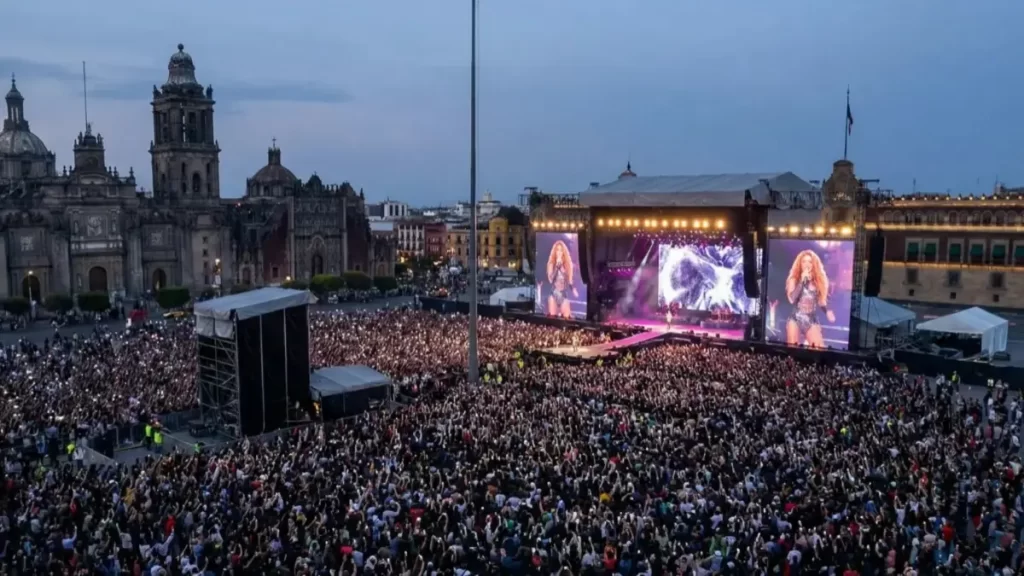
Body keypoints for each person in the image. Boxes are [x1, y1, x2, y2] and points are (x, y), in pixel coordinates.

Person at [784, 249, 836, 348]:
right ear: (800, 264)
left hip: (811, 319)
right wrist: (802, 282)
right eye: (804, 261)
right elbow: (791, 299)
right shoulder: (794, 279)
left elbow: (821, 301)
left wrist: (827, 311)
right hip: (796, 318)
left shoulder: (818, 281)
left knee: (819, 347)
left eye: (810, 261)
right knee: (793, 349)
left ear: (814, 264)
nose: (807, 264)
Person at [542, 239, 579, 319]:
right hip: (554, 294)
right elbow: (551, 280)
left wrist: (562, 269)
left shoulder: (567, 265)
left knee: (566, 318)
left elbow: (569, 280)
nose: (559, 252)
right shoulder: (551, 263)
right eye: (557, 250)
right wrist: (557, 268)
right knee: (552, 317)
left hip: (564, 294)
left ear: (563, 252)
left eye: (561, 250)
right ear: (555, 252)